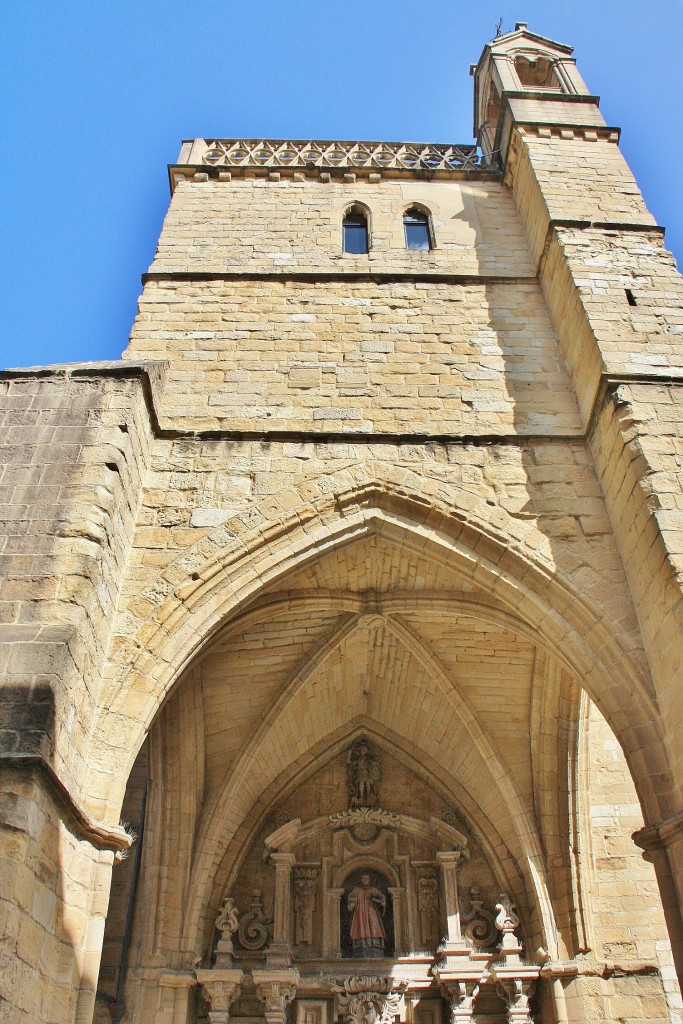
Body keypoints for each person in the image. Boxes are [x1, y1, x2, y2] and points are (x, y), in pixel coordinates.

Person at [347, 873, 386, 957]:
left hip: (371, 911)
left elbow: (382, 898)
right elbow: (351, 899)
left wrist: (378, 901)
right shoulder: (356, 890)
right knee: (360, 927)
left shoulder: (373, 890)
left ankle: (375, 945)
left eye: (366, 878)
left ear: (370, 880)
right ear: (360, 880)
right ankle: (361, 946)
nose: (365, 880)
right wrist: (352, 904)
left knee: (374, 926)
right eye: (363, 878)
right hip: (360, 912)